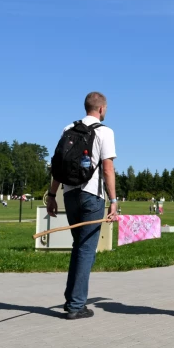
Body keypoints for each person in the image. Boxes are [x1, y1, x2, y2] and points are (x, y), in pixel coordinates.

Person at [46, 91, 117, 320]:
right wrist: (113, 200)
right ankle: (76, 305)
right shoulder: (105, 132)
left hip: (69, 194)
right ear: (102, 109)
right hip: (91, 195)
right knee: (86, 249)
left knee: (79, 247)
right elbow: (107, 169)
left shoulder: (68, 129)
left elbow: (58, 165)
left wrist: (52, 194)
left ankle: (71, 299)